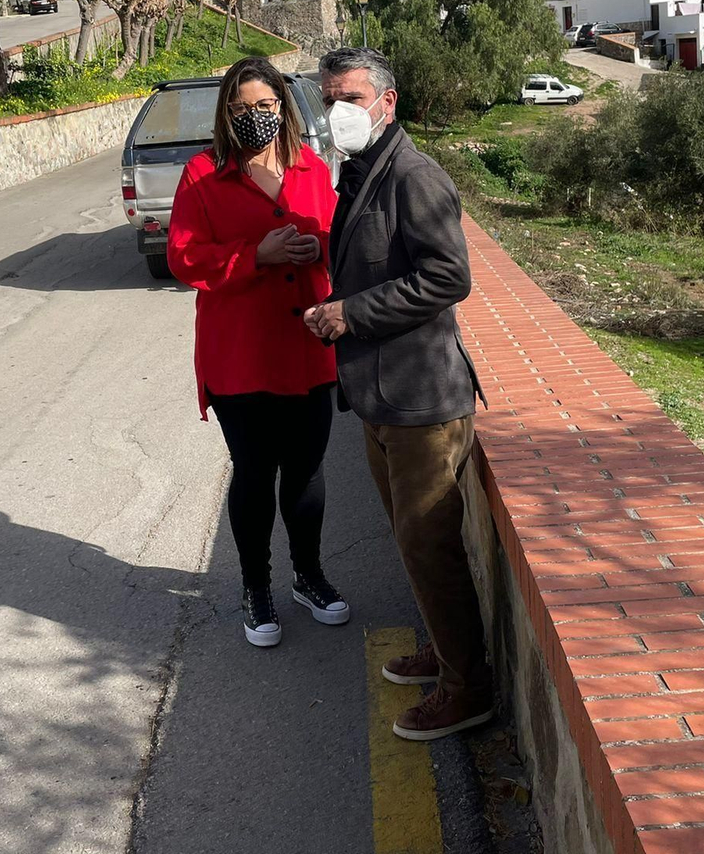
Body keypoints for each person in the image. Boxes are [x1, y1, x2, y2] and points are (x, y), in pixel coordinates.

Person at [304, 47, 492, 741]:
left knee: (429, 546)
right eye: (328, 97)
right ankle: (448, 656)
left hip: (422, 401)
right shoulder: (361, 172)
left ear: (387, 102)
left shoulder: (416, 176)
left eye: (349, 97)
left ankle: (467, 690)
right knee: (414, 545)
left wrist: (351, 313)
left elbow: (449, 278)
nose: (336, 111)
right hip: (382, 397)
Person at [168, 57, 349, 648]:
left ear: (283, 108)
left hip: (308, 348)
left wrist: (314, 249)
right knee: (254, 472)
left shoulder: (311, 169)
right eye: (241, 109)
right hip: (241, 356)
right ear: (226, 113)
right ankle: (256, 587)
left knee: (305, 471)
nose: (254, 117)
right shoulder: (202, 175)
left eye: (265, 107)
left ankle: (309, 576)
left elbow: (338, 243)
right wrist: (256, 256)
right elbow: (184, 258)